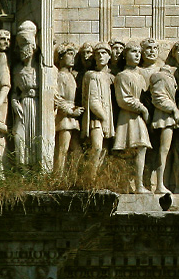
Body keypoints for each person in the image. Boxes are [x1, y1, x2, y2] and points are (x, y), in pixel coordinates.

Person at [113, 41, 152, 193]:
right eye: (133, 51)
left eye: (138, 52)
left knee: (141, 148)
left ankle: (139, 184)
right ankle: (127, 184)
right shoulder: (122, 76)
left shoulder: (140, 77)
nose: (137, 55)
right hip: (128, 117)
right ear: (125, 55)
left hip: (138, 117)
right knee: (127, 150)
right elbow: (123, 99)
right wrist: (142, 108)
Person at [146, 39, 179, 195]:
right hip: (164, 118)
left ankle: (165, 182)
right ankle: (159, 184)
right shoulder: (160, 76)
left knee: (168, 150)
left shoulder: (170, 76)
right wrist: (174, 110)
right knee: (163, 150)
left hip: (170, 118)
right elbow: (159, 97)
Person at [81, 42, 115, 178]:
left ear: (109, 56)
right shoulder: (92, 75)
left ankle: (100, 178)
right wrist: (104, 119)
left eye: (104, 53)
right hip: (96, 119)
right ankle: (91, 178)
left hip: (109, 119)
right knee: (97, 148)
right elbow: (93, 101)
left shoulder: (111, 77)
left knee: (105, 150)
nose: (101, 56)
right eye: (98, 54)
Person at [53, 42, 84, 174]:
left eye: (74, 55)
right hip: (65, 117)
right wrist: (70, 111)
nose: (72, 58)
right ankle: (58, 176)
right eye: (69, 54)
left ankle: (71, 176)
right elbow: (57, 98)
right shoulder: (61, 76)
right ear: (61, 57)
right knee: (63, 149)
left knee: (76, 150)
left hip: (72, 116)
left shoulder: (71, 76)